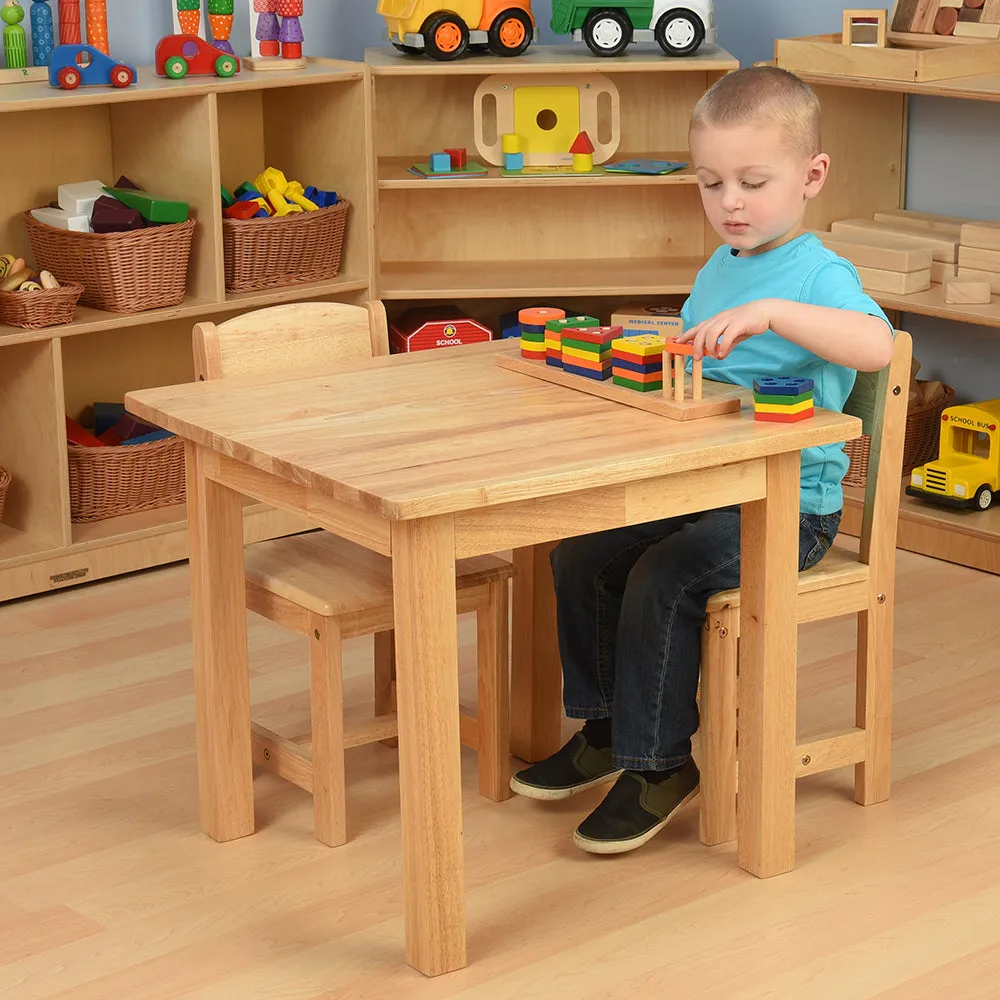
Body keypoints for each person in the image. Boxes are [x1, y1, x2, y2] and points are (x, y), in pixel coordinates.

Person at [508, 65, 895, 855]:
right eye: (711, 183)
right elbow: (698, 361)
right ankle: (610, 729)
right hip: (702, 485)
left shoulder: (820, 274)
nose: (731, 203)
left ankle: (659, 766)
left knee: (664, 576)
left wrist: (774, 312)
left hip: (788, 510)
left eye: (753, 181)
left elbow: (876, 344)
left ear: (812, 176)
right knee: (581, 556)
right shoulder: (719, 267)